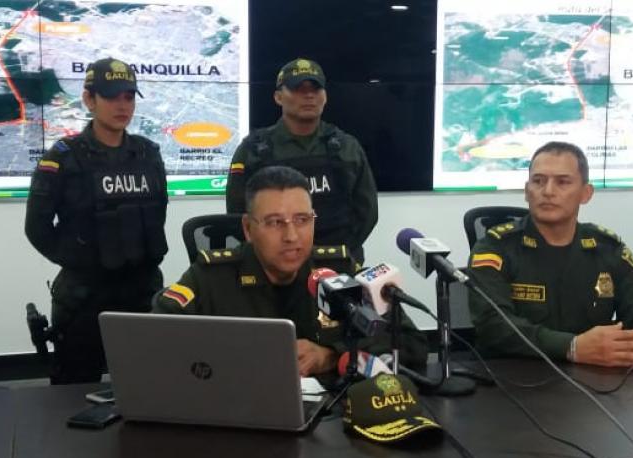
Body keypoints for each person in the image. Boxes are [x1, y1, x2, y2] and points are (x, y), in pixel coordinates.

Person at [155, 166, 424, 378]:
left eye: (302, 220)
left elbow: (412, 345)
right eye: (274, 223)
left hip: (329, 425)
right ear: (248, 229)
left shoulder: (338, 271)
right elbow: (157, 340)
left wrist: (331, 355)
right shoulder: (211, 276)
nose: (292, 235)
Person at [467, 141, 633, 367]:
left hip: (594, 379)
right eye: (538, 181)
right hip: (514, 378)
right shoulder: (495, 248)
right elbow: (494, 325)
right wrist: (571, 347)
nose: (547, 191)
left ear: (585, 194)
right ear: (527, 192)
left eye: (562, 182)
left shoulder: (606, 248)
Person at [25, 58, 169, 384]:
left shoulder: (148, 154)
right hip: (84, 301)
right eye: (112, 96)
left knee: (150, 391)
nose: (122, 105)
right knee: (73, 399)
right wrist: (81, 261)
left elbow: (157, 212)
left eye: (129, 96)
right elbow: (37, 228)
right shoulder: (62, 158)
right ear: (89, 99)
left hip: (141, 296)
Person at [225, 58, 378, 264]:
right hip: (275, 270)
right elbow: (238, 214)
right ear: (278, 97)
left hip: (338, 264)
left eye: (316, 88)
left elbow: (367, 212)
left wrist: (334, 253)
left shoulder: (347, 147)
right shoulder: (252, 151)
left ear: (325, 96)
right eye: (298, 88)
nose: (309, 95)